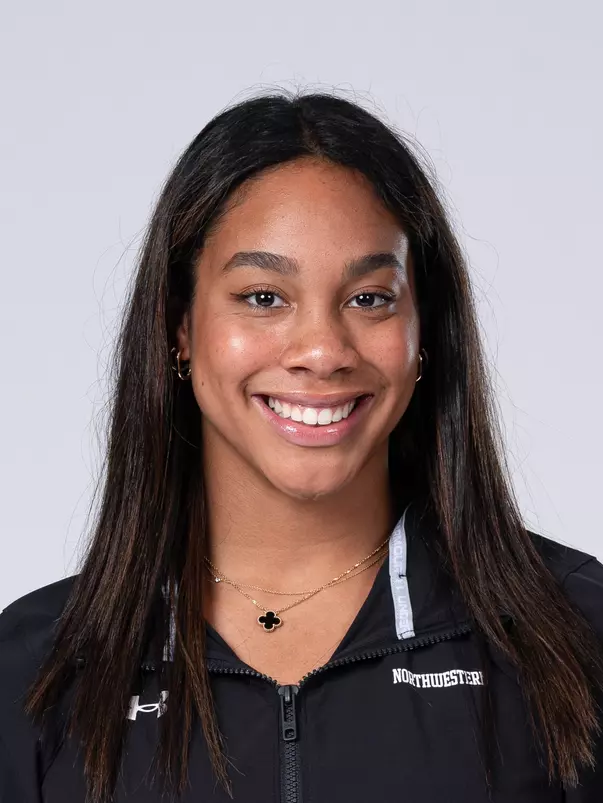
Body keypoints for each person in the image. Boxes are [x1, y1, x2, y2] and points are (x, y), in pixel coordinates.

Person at [1, 90, 602, 803]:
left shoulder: (574, 634)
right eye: (263, 297)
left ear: (425, 334)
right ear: (179, 327)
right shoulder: (36, 669)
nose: (321, 350)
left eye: (369, 298)